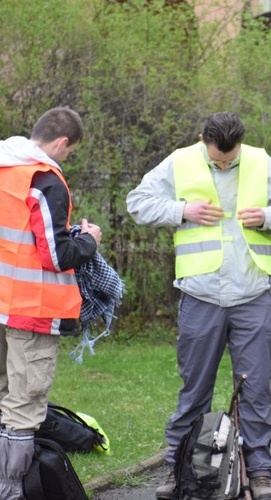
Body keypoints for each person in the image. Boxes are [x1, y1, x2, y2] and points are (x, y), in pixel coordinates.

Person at [126, 111, 271, 500]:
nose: (224, 164)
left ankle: (260, 474)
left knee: (256, 390)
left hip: (252, 294)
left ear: (240, 142)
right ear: (202, 139)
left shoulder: (260, 161)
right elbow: (137, 203)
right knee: (194, 391)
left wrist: (268, 216)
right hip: (201, 295)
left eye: (230, 159)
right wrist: (181, 211)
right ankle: (180, 472)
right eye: (217, 160)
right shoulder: (180, 161)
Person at [0, 107, 102, 499]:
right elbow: (56, 256)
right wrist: (90, 240)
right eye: (70, 152)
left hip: (4, 302)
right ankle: (10, 491)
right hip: (32, 310)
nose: (66, 158)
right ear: (62, 142)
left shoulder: (6, 166)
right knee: (24, 406)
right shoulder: (43, 179)